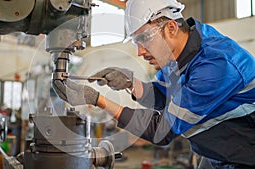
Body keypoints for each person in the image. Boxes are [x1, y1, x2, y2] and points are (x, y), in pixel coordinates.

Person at [53, 0, 255, 168]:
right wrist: (130, 84)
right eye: (135, 42)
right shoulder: (177, 56)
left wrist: (98, 100)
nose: (140, 51)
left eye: (144, 39)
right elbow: (161, 95)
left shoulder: (216, 67)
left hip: (245, 156)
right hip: (218, 154)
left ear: (171, 28)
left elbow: (162, 131)